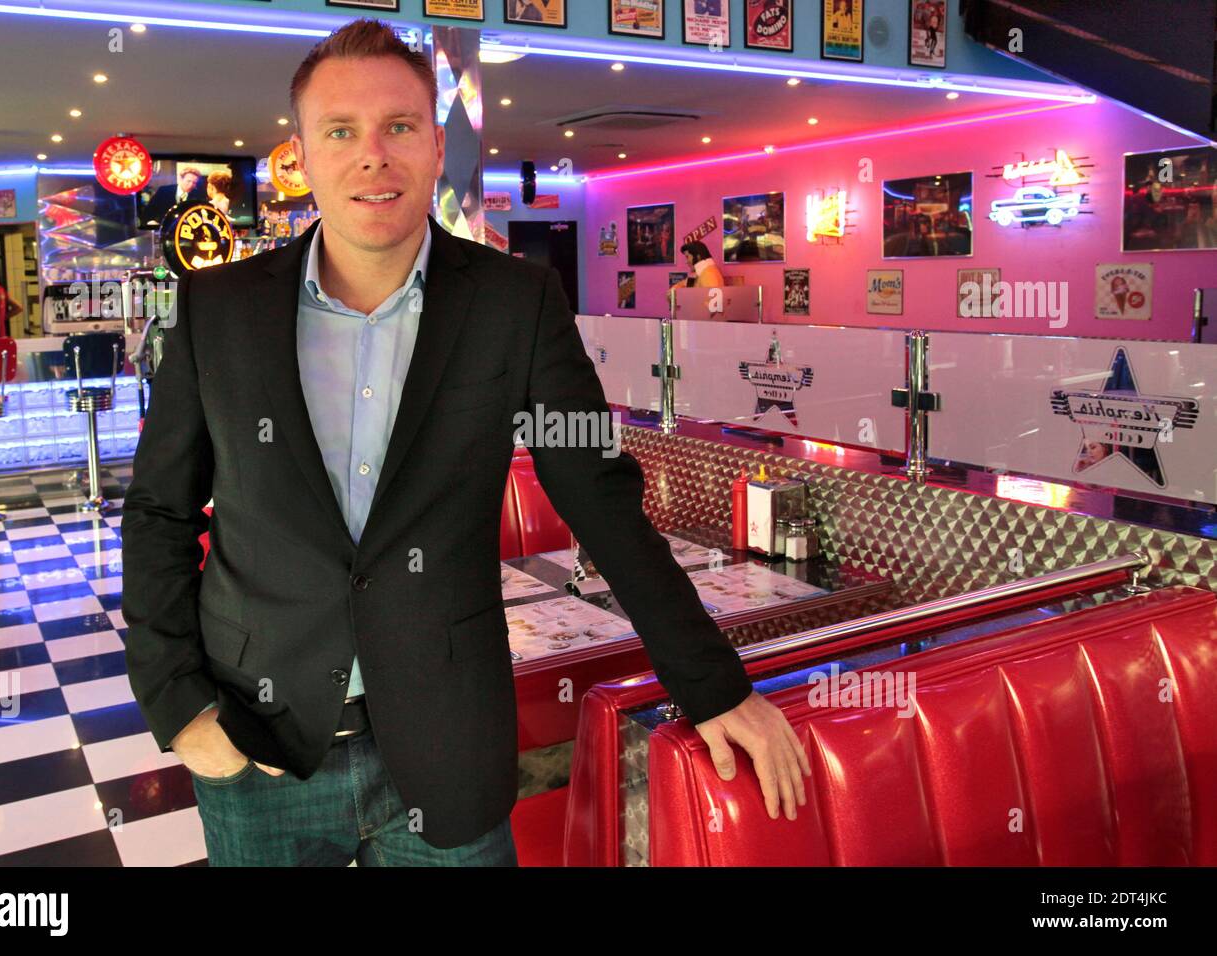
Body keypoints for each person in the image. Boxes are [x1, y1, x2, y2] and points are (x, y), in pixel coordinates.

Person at [122, 18, 810, 868]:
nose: (373, 156)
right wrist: (179, 705)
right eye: (341, 132)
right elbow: (158, 510)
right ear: (300, 154)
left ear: (436, 147)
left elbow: (600, 494)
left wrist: (714, 685)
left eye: (399, 127)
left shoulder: (514, 303)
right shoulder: (217, 309)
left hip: (448, 744)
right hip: (259, 747)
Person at [141, 166, 207, 228]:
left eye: (194, 183)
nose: (191, 185)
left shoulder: (197, 195)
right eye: (188, 181)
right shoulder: (164, 191)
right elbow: (148, 212)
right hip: (164, 229)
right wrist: (150, 222)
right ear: (180, 179)